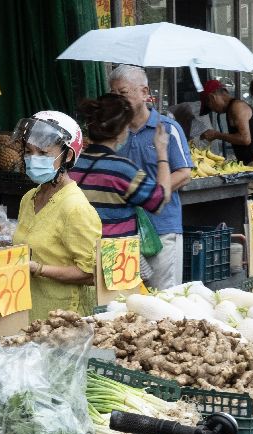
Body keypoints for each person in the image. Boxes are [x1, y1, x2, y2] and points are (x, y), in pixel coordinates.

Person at [12, 110, 102, 321]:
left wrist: (40, 269)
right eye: (28, 151)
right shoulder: (29, 198)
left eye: (43, 153)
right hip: (30, 313)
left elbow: (91, 273)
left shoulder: (75, 207)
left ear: (68, 155)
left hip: (65, 319)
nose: (33, 159)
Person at [109, 64, 193, 290]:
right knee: (124, 300)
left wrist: (147, 195)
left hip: (162, 227)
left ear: (144, 93)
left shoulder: (166, 128)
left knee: (163, 298)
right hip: (121, 231)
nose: (117, 99)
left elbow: (184, 173)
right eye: (113, 94)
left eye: (123, 93)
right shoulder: (113, 132)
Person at [71, 93, 172, 238]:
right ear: (120, 132)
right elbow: (160, 200)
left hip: (78, 250)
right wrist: (162, 151)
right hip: (115, 256)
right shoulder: (123, 170)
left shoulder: (72, 164)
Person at [199, 79, 253, 164]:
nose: (213, 110)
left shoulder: (237, 107)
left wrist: (216, 135)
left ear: (212, 97)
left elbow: (245, 139)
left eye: (209, 106)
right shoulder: (231, 109)